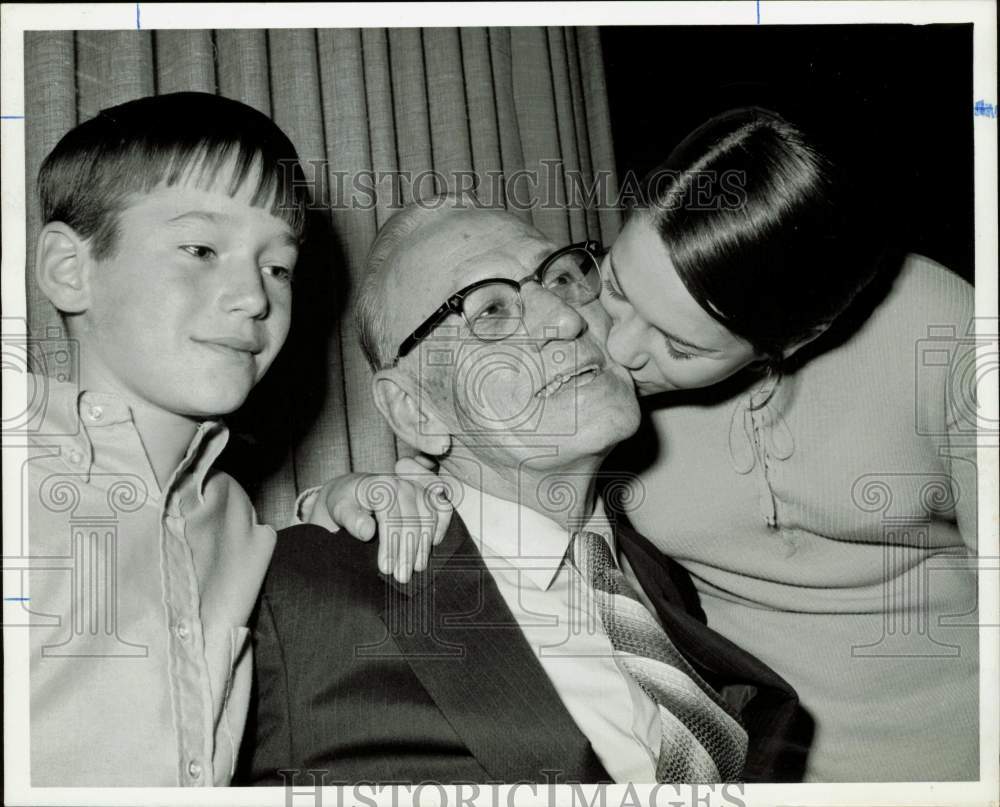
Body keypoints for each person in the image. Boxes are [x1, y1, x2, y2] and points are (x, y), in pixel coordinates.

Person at [315, 108, 980, 782]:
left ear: (794, 341)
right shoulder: (598, 416)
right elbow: (486, 454)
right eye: (614, 286)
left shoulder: (937, 333)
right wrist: (372, 487)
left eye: (679, 344)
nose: (610, 340)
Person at [239, 200, 807, 786]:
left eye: (561, 277)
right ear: (415, 411)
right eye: (490, 311)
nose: (565, 317)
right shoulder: (299, 596)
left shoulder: (656, 576)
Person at [26, 91, 309, 786]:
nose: (254, 296)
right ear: (71, 269)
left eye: (278, 266)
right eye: (202, 248)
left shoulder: (237, 517)